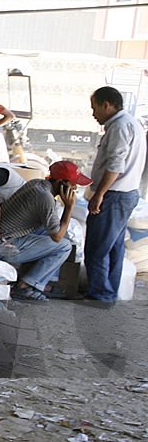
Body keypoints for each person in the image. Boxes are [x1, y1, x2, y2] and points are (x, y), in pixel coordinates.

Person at [0, 161, 88, 301]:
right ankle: (25, 286)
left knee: (57, 231)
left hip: (1, 236)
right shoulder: (45, 198)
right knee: (64, 246)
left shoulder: (37, 184)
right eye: (73, 184)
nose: (75, 188)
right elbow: (57, 237)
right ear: (62, 183)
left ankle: (39, 281)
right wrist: (69, 207)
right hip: (2, 246)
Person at [84, 86, 147, 303]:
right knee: (113, 247)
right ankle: (108, 292)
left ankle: (100, 294)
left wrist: (99, 194)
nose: (93, 114)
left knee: (97, 247)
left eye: (95, 108)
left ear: (107, 105)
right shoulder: (129, 123)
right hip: (124, 194)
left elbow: (115, 165)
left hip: (115, 195)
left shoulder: (120, 126)